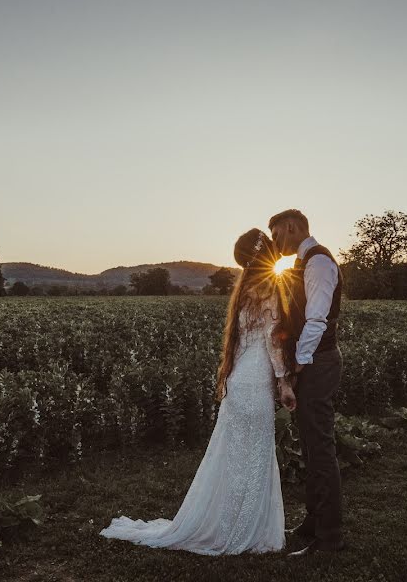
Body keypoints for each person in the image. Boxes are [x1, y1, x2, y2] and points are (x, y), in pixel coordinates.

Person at [99, 228, 296, 555]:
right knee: (256, 454)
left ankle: (227, 521)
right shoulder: (270, 289)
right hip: (256, 380)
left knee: (235, 456)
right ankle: (247, 528)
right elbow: (274, 342)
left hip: (238, 379)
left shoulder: (245, 289)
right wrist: (284, 382)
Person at [268, 208, 346, 557]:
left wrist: (297, 367)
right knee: (312, 448)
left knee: (322, 448)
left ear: (291, 227)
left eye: (276, 235)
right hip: (311, 362)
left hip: (318, 363)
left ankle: (329, 538)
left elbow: (316, 320)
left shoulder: (318, 263)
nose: (274, 243)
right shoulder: (303, 264)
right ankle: (313, 522)